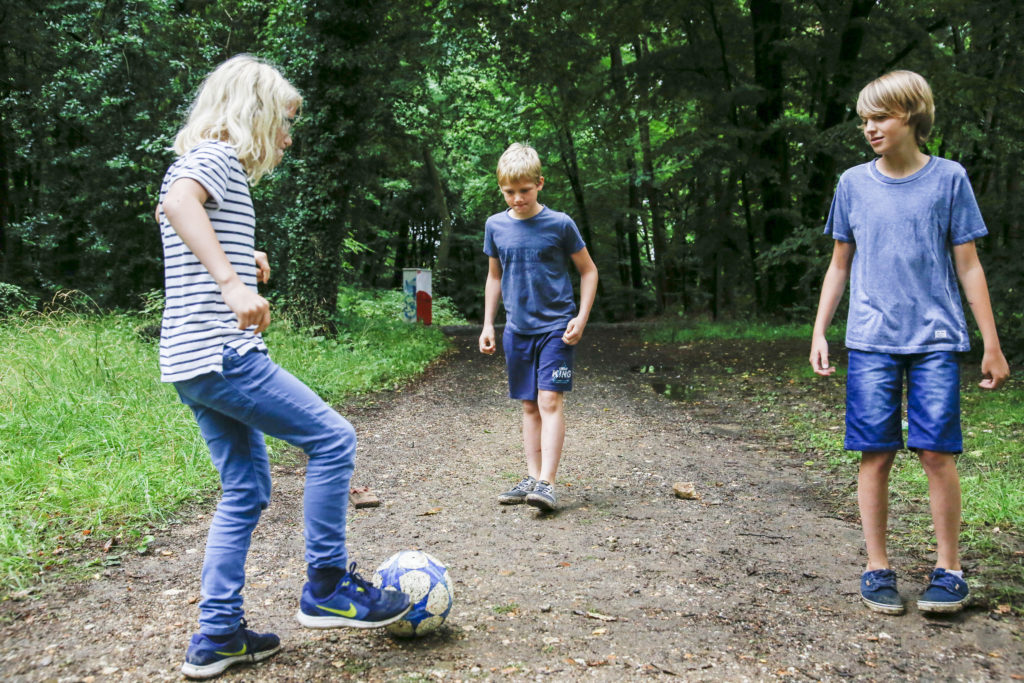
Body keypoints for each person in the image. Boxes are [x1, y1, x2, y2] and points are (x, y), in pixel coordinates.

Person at [156, 54, 410, 679]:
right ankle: (326, 585)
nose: (288, 139)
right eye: (284, 122)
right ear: (253, 115)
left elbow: (191, 218)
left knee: (245, 489)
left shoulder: (210, 167)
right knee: (333, 438)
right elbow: (179, 206)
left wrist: (245, 254)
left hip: (189, 361)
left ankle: (217, 635)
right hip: (224, 352)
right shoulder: (213, 160)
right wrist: (232, 283)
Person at [809, 70, 1009, 616]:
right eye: (864, 119)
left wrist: (989, 344)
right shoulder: (852, 183)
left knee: (935, 452)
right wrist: (820, 330)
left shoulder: (949, 179)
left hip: (936, 339)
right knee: (874, 454)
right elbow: (839, 264)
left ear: (912, 117)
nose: (869, 128)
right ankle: (877, 567)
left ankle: (950, 571)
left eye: (880, 117)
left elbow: (969, 268)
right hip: (870, 340)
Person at [479, 143, 598, 511]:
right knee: (529, 405)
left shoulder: (560, 224)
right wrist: (488, 324)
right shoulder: (495, 226)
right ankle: (532, 478)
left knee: (549, 399)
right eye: (509, 192)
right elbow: (494, 277)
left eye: (524, 191)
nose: (517, 198)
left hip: (556, 328)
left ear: (540, 184)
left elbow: (589, 270)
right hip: (517, 330)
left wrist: (581, 316)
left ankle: (547, 482)